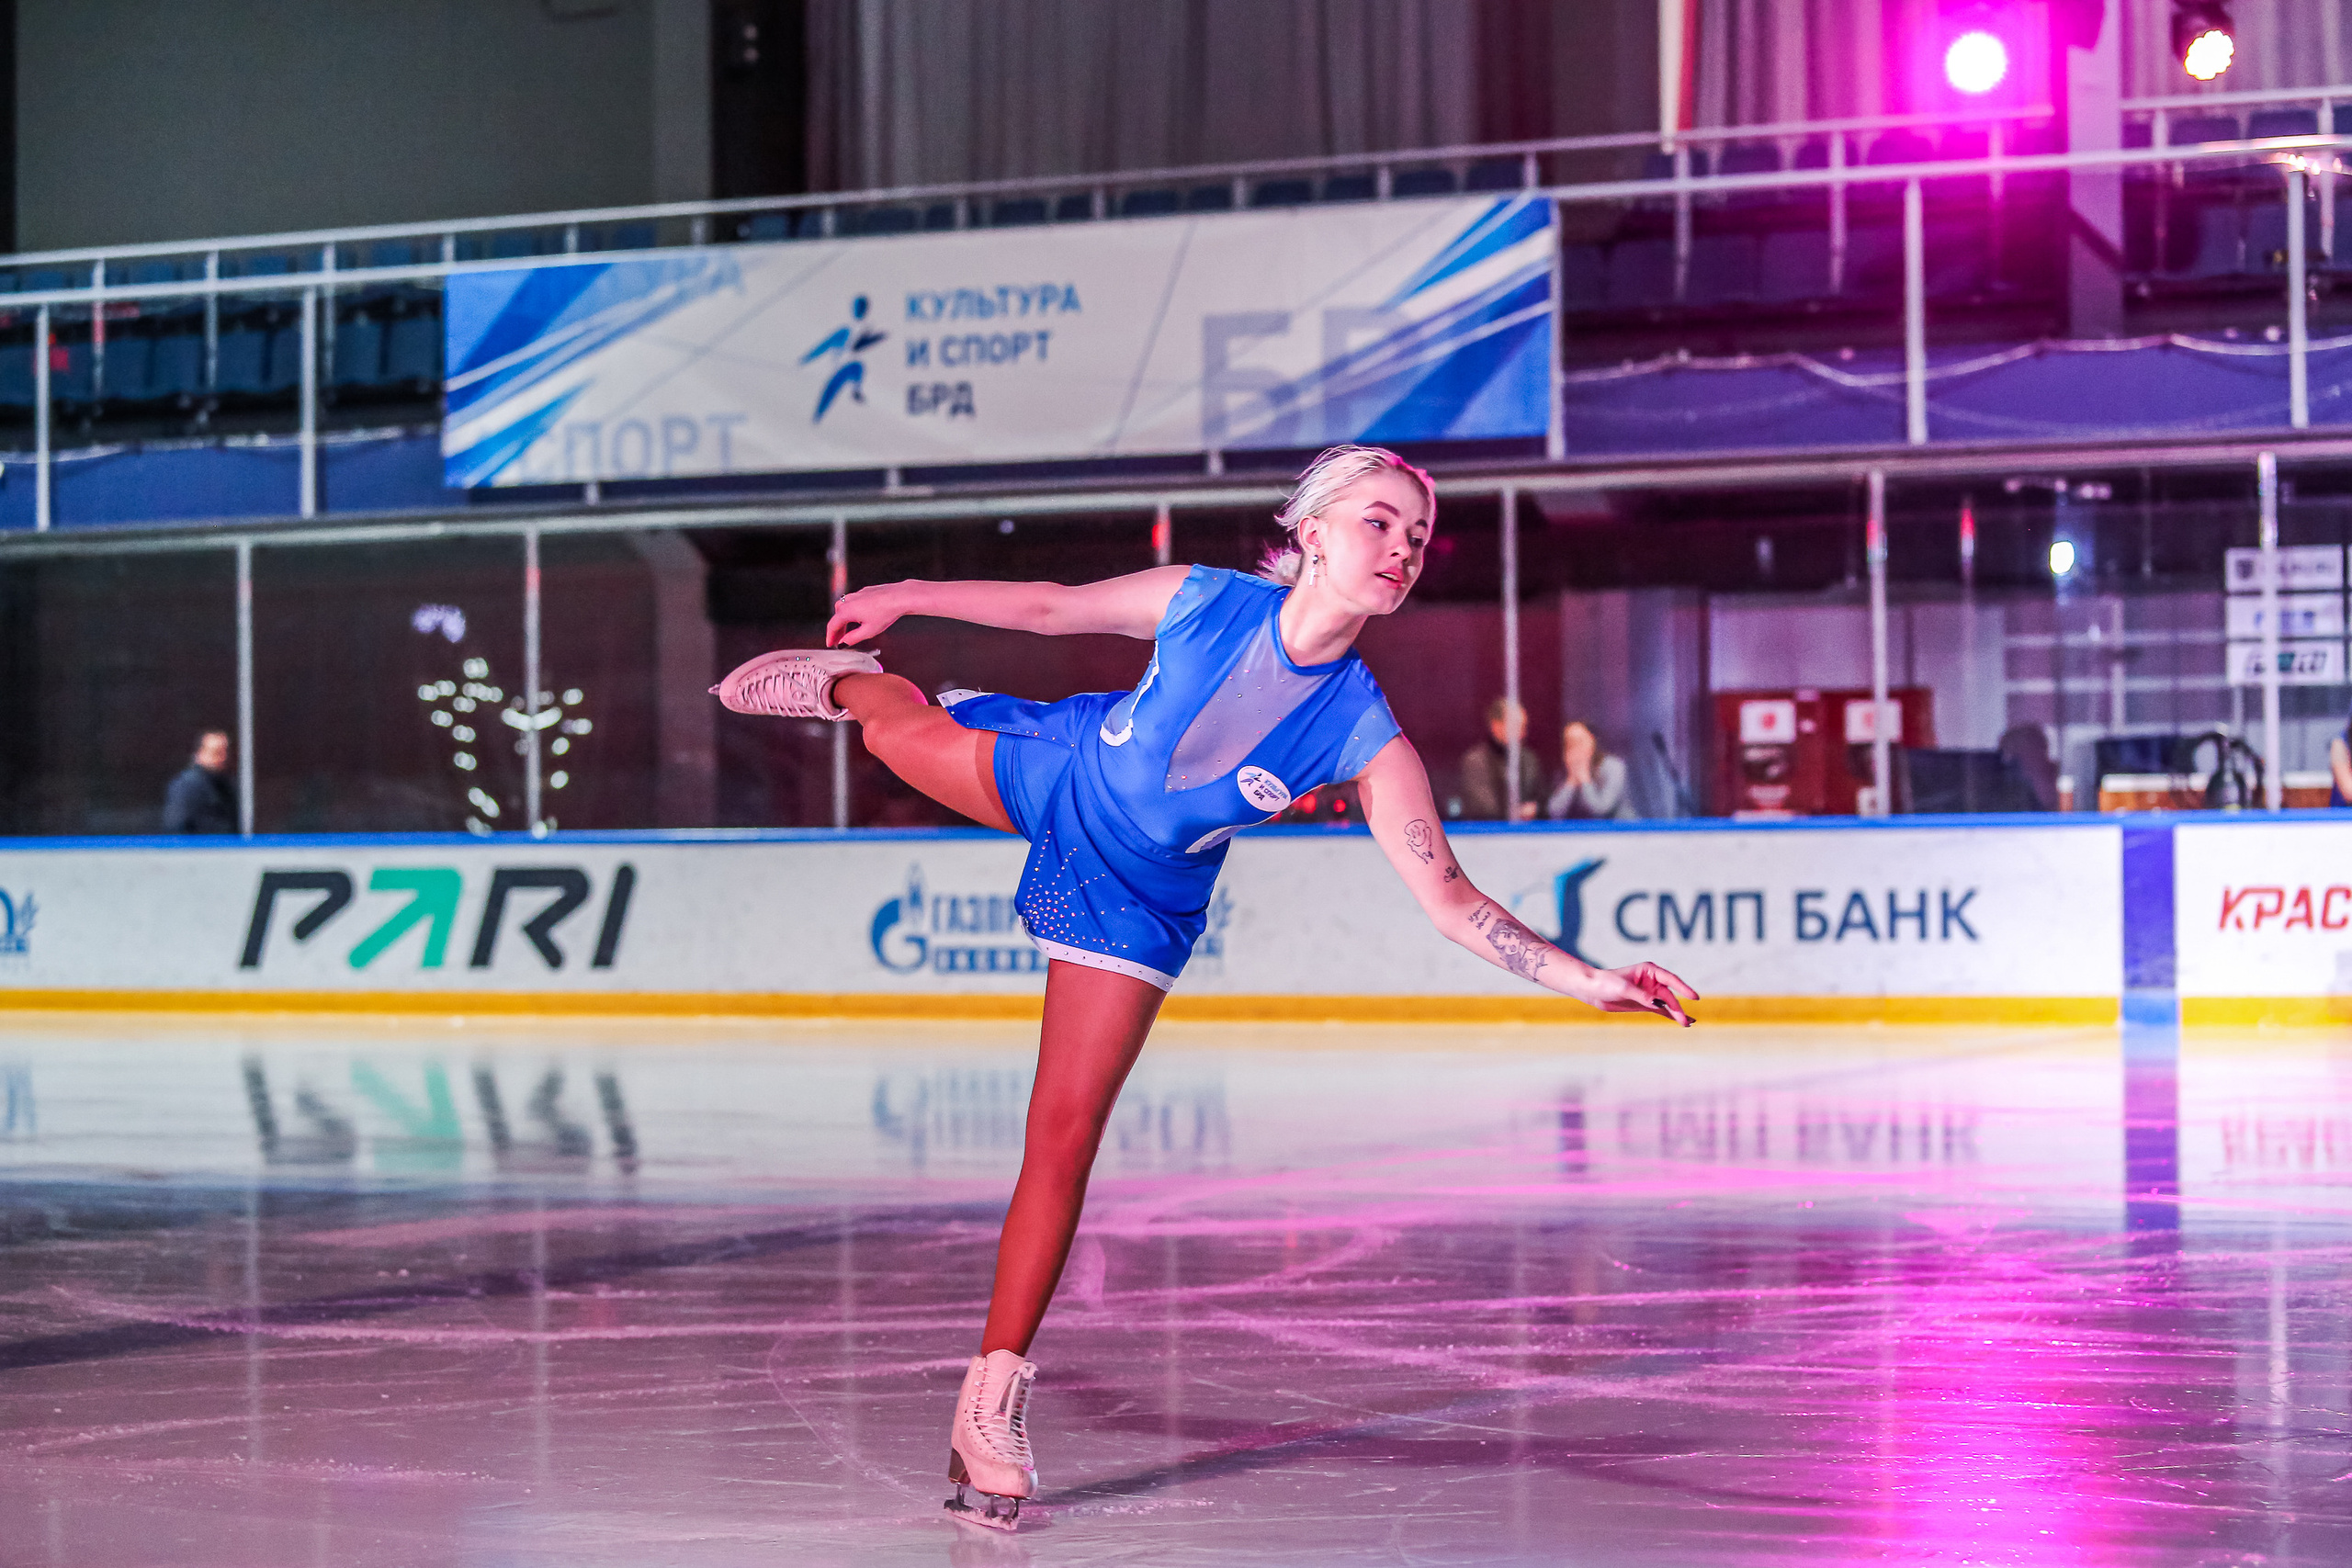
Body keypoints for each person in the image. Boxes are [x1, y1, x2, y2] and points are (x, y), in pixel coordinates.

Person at [710, 445, 1697, 1532]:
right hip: (1065, 765)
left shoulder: (1367, 737)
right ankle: (852, 685)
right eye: (1379, 523)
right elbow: (1050, 610)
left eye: (1416, 537)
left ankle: (988, 1403)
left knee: (1063, 1132)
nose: (1401, 550)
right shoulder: (1205, 600)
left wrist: (1589, 981)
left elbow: (1451, 901)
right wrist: (906, 595)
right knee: (900, 734)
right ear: (1314, 532)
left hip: (1140, 898)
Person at [1456, 695, 1544, 820]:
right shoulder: (1476, 762)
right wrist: (1513, 813)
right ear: (1496, 726)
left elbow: (1542, 799)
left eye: (1524, 727)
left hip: (1528, 836)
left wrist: (1536, 809)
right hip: (1487, 836)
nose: (1523, 733)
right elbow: (1482, 808)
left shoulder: (1529, 760)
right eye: (1518, 727)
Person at [1546, 719, 1637, 820]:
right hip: (1583, 832)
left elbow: (1602, 809)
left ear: (1593, 742)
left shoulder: (1613, 766)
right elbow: (1554, 812)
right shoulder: (1563, 773)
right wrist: (1571, 781)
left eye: (1579, 741)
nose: (1575, 748)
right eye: (1570, 743)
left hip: (1620, 831)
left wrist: (1585, 778)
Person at [162, 729, 237, 834]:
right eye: (217, 753)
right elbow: (177, 825)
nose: (223, 758)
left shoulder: (226, 785)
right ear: (200, 753)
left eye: (225, 752)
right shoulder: (187, 785)